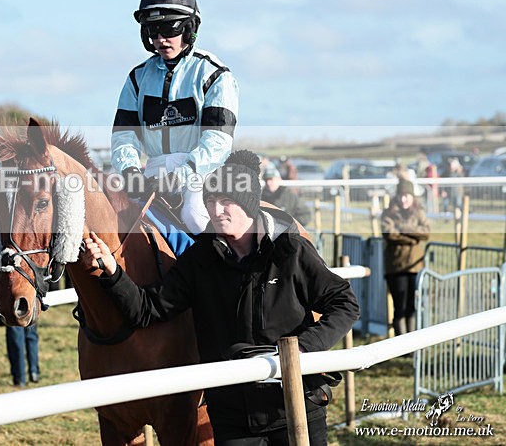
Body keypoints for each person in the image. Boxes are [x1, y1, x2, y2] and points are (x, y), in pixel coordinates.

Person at [83, 149, 359, 445]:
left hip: (294, 405)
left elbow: (344, 303)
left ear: (248, 204)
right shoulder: (199, 260)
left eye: (226, 201)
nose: (216, 210)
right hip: (232, 417)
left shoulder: (290, 251)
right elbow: (147, 309)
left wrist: (305, 347)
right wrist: (112, 272)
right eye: (211, 202)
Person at [111, 0, 240, 234]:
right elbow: (123, 135)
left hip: (200, 174)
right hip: (152, 175)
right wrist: (130, 170)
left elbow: (218, 140)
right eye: (153, 31)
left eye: (169, 29)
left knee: (194, 216)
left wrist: (184, 173)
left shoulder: (214, 74)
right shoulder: (137, 77)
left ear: (189, 29)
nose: (160, 39)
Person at [381, 179, 430, 336]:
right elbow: (390, 234)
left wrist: (403, 228)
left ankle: (412, 342)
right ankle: (401, 342)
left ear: (412, 197)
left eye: (406, 196)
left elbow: (426, 232)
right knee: (400, 308)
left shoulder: (419, 212)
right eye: (401, 196)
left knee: (412, 307)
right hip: (396, 267)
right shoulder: (389, 213)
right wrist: (413, 237)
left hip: (415, 266)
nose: (403, 199)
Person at [0, 266, 40, 386]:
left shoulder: (3, 260)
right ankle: (34, 372)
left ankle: (20, 377)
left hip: (13, 303)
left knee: (15, 341)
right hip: (30, 300)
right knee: (31, 336)